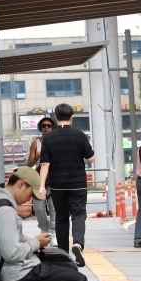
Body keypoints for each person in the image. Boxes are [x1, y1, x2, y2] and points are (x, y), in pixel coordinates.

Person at [39, 104, 95, 267]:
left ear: (56, 118)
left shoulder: (49, 138)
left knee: (61, 218)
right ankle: (78, 244)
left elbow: (44, 164)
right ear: (72, 117)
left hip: (57, 185)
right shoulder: (79, 135)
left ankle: (64, 254)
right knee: (78, 215)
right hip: (78, 184)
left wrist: (42, 186)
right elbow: (91, 158)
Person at [28, 117, 57, 247]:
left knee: (54, 208)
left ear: (52, 127)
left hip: (54, 179)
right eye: (44, 125)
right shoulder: (36, 144)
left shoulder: (57, 142)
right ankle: (44, 231)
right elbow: (29, 164)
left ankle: (53, 233)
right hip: (39, 180)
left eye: (49, 126)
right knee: (39, 208)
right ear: (40, 128)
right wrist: (36, 157)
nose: (46, 128)